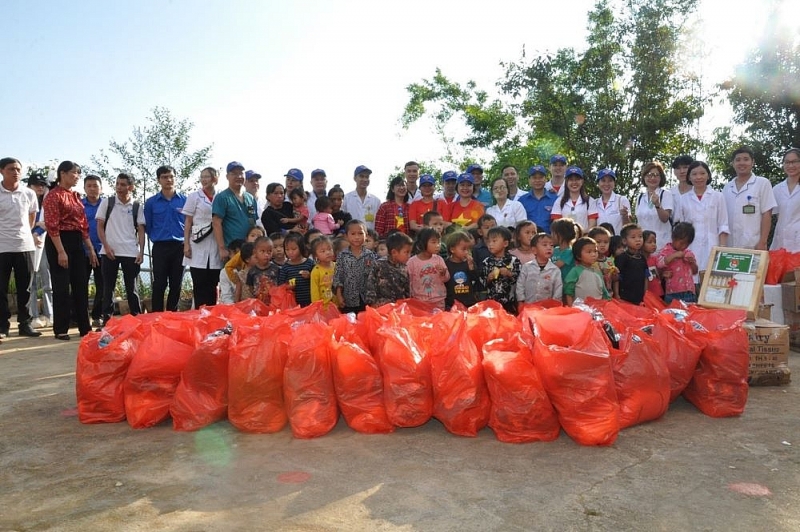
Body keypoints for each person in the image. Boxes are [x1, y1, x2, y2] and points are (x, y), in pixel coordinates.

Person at [43, 161, 97, 340]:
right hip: (59, 240)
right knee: (61, 286)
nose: (77, 176)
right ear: (63, 173)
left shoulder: (75, 195)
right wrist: (60, 251)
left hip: (76, 241)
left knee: (81, 284)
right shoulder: (53, 196)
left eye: (78, 174)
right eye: (74, 173)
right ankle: (61, 328)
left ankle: (84, 327)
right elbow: (52, 225)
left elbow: (83, 224)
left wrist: (89, 248)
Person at [96, 172, 146, 324]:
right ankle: (107, 320)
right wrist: (106, 246)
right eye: (117, 184)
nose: (119, 187)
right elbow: (99, 226)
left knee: (132, 288)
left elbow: (141, 230)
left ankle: (136, 319)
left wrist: (141, 252)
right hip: (109, 251)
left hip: (130, 251)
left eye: (123, 184)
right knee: (108, 288)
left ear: (131, 187)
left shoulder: (137, 206)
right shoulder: (107, 202)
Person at [0, 157, 41, 338]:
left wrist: (26, 233)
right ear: (2, 171)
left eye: (18, 169)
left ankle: (25, 324)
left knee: (25, 287)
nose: (15, 172)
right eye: (11, 169)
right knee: (1, 288)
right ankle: (2, 326)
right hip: (2, 246)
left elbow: (32, 217)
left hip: (24, 245)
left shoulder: (29, 194)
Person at [673, 160, 729, 279]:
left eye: (702, 173)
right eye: (694, 174)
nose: (698, 177)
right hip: (690, 247)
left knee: (711, 280)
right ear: (689, 177)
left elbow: (723, 224)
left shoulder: (718, 197)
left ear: (708, 175)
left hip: (712, 246)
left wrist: (722, 248)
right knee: (691, 281)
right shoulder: (683, 199)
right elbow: (680, 227)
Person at [145, 165, 186, 312]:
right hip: (160, 247)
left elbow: (189, 223)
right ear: (158, 180)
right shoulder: (151, 203)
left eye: (171, 176)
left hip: (180, 247)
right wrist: (156, 237)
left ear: (175, 178)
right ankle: (156, 315)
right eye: (164, 177)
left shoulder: (184, 200)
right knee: (159, 283)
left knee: (176, 283)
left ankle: (172, 314)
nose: (168, 180)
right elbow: (148, 226)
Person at [722, 146, 777, 250]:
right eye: (738, 160)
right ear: (733, 164)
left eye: (746, 159)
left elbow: (767, 214)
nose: (742, 163)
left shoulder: (762, 183)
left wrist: (763, 241)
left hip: (753, 245)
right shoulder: (727, 187)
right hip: (730, 245)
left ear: (753, 162)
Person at [182, 167, 221, 308]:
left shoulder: (221, 196)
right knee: (199, 283)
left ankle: (211, 314)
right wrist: (186, 244)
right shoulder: (194, 197)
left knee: (213, 284)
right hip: (197, 244)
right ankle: (199, 314)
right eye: (202, 176)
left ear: (215, 179)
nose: (204, 179)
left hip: (215, 243)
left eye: (207, 176)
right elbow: (188, 221)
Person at [212, 161, 258, 262]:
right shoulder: (222, 197)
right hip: (233, 250)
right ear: (227, 176)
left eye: (241, 173)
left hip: (251, 250)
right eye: (234, 174)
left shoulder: (250, 198)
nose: (239, 176)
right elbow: (216, 223)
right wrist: (222, 248)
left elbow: (254, 223)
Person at [27, 172, 54, 329]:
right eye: (37, 184)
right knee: (31, 282)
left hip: (45, 244)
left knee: (47, 280)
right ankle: (33, 315)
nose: (40, 187)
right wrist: (34, 233)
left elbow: (48, 222)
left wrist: (38, 231)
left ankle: (49, 314)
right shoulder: (25, 200)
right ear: (30, 186)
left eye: (43, 184)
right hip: (28, 243)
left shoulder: (48, 201)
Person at [333, 219, 378, 313]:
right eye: (353, 234)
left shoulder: (370, 255)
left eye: (360, 233)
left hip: (366, 298)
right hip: (348, 299)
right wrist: (339, 295)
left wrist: (374, 298)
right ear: (346, 236)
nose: (357, 237)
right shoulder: (342, 255)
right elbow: (338, 277)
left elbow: (374, 277)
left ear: (366, 235)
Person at [365, 231, 413, 306]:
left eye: (410, 252)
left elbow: (407, 290)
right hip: (381, 307)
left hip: (399, 307)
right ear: (394, 252)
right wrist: (371, 303)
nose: (409, 255)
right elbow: (371, 285)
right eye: (406, 252)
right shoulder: (379, 265)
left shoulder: (404, 268)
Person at [480, 226, 520, 314]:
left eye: (494, 241)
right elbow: (482, 282)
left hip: (509, 302)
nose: (490, 244)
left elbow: (520, 279)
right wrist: (488, 278)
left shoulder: (513, 260)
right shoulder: (486, 261)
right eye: (488, 241)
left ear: (505, 243)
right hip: (491, 303)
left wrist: (509, 274)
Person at [516, 232, 562, 309]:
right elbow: (520, 285)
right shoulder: (527, 267)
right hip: (528, 307)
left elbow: (558, 290)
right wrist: (520, 302)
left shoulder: (555, 270)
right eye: (544, 245)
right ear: (534, 250)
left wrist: (555, 306)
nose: (549, 248)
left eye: (551, 245)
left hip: (547, 309)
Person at [635, 161, 673, 253]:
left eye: (656, 175)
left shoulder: (666, 194)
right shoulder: (640, 197)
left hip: (661, 245)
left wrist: (657, 205)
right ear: (644, 177)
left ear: (661, 178)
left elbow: (665, 218)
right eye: (649, 175)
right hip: (643, 246)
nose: (652, 178)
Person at [655, 222, 698, 304]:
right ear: (673, 238)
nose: (684, 246)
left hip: (689, 292)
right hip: (673, 293)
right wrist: (674, 256)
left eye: (687, 244)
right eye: (681, 243)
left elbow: (695, 271)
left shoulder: (688, 253)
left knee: (689, 314)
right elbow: (659, 264)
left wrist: (692, 263)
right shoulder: (666, 251)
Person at [407, 228, 449, 309]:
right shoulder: (412, 262)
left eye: (439, 242)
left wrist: (443, 273)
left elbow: (446, 279)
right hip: (419, 302)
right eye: (433, 242)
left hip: (438, 300)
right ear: (423, 243)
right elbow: (409, 282)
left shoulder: (439, 259)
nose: (438, 245)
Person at [82, 175, 104, 328]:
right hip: (82, 251)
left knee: (103, 284)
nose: (92, 188)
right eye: (89, 186)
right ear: (84, 188)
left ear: (101, 188)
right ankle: (80, 316)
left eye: (95, 186)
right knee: (80, 284)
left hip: (103, 250)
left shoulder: (107, 205)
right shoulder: (79, 205)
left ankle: (98, 315)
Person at [564, 236, 609, 305]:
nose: (593, 254)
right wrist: (571, 308)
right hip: (581, 309)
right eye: (589, 252)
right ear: (578, 256)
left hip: (598, 308)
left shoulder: (598, 271)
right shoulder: (575, 271)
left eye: (595, 251)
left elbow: (603, 290)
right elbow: (569, 291)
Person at [771, 148, 800, 252]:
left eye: (795, 162)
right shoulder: (777, 189)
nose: (791, 165)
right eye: (787, 162)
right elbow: (780, 217)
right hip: (780, 241)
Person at [551, 166, 597, 231]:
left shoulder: (590, 201)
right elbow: (557, 225)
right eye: (571, 180)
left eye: (577, 179)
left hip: (584, 239)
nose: (574, 182)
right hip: (565, 239)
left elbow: (592, 225)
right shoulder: (559, 201)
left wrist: (584, 236)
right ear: (566, 182)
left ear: (582, 181)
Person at [519, 165, 558, 235]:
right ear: (529, 180)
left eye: (540, 178)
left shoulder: (555, 199)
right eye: (534, 178)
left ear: (546, 179)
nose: (537, 180)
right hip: (529, 240)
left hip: (549, 240)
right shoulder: (522, 200)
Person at [278, 232, 315, 307]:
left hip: (310, 301)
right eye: (287, 249)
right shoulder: (285, 267)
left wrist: (310, 276)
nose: (290, 252)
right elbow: (280, 285)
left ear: (301, 248)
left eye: (294, 249)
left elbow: (317, 280)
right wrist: (287, 287)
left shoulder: (310, 263)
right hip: (293, 303)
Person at [615, 223, 648, 305]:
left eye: (640, 236)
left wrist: (646, 295)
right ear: (624, 241)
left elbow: (646, 277)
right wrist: (616, 294)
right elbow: (616, 277)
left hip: (639, 296)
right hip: (624, 296)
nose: (638, 240)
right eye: (633, 237)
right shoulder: (622, 258)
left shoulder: (642, 258)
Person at [445, 230, 477, 310]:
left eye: (468, 249)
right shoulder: (446, 264)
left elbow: (475, 279)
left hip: (469, 302)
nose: (467, 252)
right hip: (452, 303)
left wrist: (471, 267)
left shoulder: (469, 263)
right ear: (452, 250)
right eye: (463, 249)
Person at [343, 165, 382, 231]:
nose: (364, 179)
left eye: (367, 177)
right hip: (352, 237)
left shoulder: (376, 200)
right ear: (355, 178)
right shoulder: (346, 198)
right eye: (361, 176)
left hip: (370, 238)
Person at [593, 169, 631, 235]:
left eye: (610, 180)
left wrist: (625, 216)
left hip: (618, 242)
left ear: (614, 183)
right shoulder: (594, 203)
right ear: (598, 183)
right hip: (601, 243)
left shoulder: (621, 200)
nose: (606, 184)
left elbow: (629, 227)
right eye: (603, 181)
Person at [246, 236, 280, 305]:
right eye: (262, 251)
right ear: (255, 252)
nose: (266, 254)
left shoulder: (276, 269)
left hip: (274, 304)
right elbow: (250, 287)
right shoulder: (252, 271)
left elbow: (280, 286)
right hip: (259, 304)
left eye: (269, 251)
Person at [587, 226, 617, 296]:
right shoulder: (588, 261)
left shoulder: (610, 260)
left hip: (609, 296)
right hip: (593, 296)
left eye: (606, 242)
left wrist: (615, 274)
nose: (603, 245)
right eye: (598, 242)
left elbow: (614, 280)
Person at [550, 218, 579, 284]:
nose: (551, 235)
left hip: (566, 284)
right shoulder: (555, 249)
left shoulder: (569, 252)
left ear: (560, 235)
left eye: (553, 233)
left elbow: (556, 266)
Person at [310, 236, 336, 306]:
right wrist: (317, 306)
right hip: (324, 307)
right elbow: (314, 291)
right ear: (316, 255)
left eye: (329, 249)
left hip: (339, 304)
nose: (328, 253)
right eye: (323, 251)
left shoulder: (337, 266)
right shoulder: (316, 271)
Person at [642, 230, 662, 300]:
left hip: (658, 293)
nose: (653, 244)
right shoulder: (639, 261)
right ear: (642, 243)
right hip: (646, 296)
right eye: (650, 242)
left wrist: (664, 274)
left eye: (654, 242)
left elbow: (658, 275)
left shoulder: (655, 259)